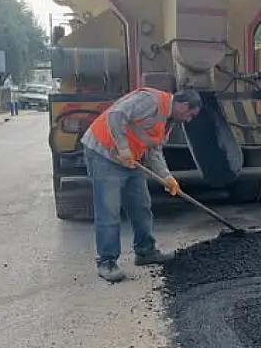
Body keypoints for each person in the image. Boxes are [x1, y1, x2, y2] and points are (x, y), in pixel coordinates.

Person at [81, 87, 202, 282]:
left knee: (141, 206)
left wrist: (166, 177)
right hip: (104, 153)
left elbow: (154, 150)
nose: (189, 119)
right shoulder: (151, 101)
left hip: (131, 160)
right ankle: (107, 262)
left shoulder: (167, 121)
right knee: (109, 212)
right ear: (184, 105)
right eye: (190, 114)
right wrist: (122, 146)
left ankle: (145, 252)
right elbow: (115, 115)